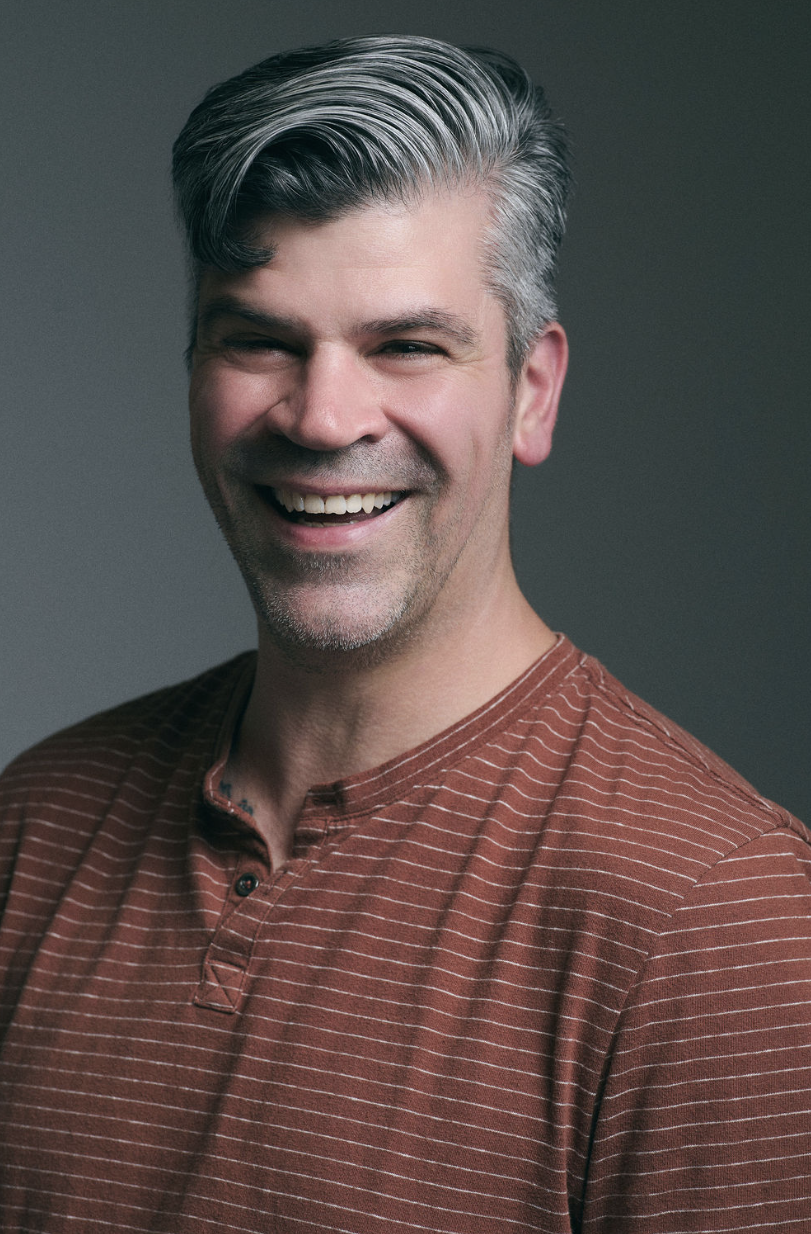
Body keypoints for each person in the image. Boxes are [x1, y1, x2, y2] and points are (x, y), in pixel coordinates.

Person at [0, 35, 809, 1234]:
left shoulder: (725, 922)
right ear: (191, 370)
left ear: (531, 389)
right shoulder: (33, 825)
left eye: (407, 345)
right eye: (260, 339)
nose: (324, 416)